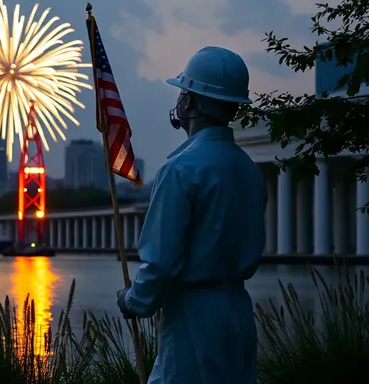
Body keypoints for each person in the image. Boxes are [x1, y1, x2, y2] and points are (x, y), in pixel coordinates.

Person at [116, 46, 267, 384]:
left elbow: (161, 264)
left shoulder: (181, 169)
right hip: (238, 313)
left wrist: (133, 300)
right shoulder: (248, 170)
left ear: (193, 102)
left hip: (192, 317)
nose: (181, 100)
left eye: (184, 92)